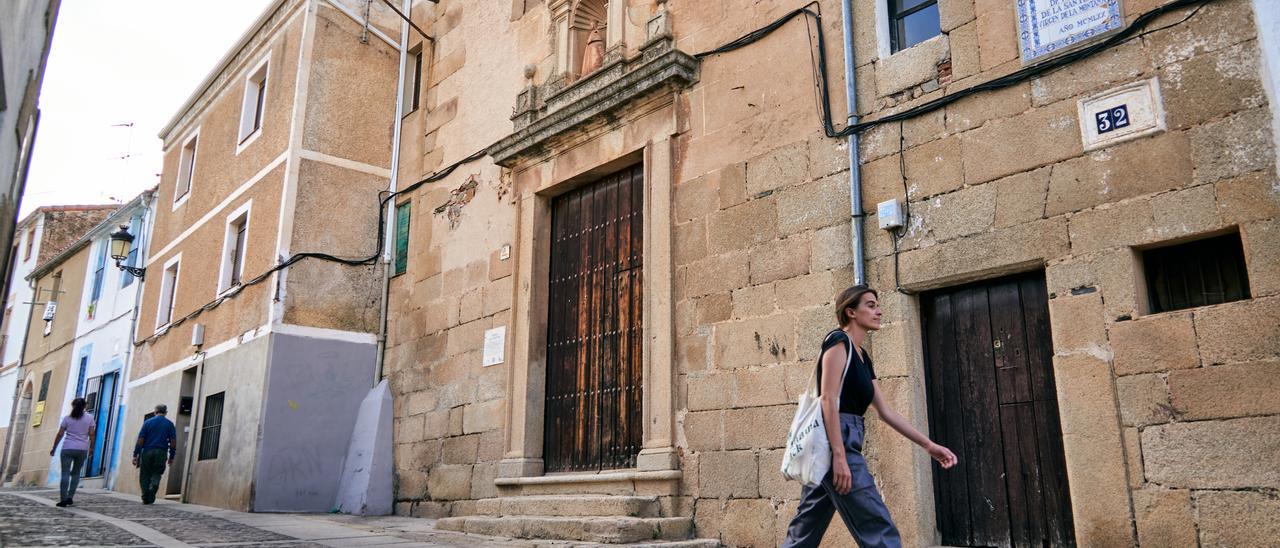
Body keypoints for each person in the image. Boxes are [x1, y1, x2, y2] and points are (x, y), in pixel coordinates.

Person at [782, 285, 959, 548]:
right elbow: (829, 400)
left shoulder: (863, 356)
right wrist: (840, 456)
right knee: (877, 525)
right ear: (851, 312)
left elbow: (885, 412)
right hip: (836, 441)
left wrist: (929, 445)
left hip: (846, 439)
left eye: (877, 305)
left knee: (806, 529)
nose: (879, 311)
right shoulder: (838, 342)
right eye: (871, 305)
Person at [49, 397, 94, 507]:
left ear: (73, 405)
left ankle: (63, 499)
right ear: (85, 406)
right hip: (82, 449)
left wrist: (54, 448)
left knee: (65, 473)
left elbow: (60, 434)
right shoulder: (90, 418)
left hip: (67, 448)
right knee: (76, 473)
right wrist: (91, 448)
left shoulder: (67, 419)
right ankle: (70, 497)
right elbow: (92, 434)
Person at [132, 404, 177, 505]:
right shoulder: (169, 424)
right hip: (161, 452)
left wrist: (136, 454)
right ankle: (154, 486)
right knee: (157, 473)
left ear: (155, 412)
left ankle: (145, 497)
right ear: (166, 412)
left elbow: (141, 439)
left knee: (145, 474)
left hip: (147, 451)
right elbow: (173, 441)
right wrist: (172, 456)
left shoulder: (147, 423)